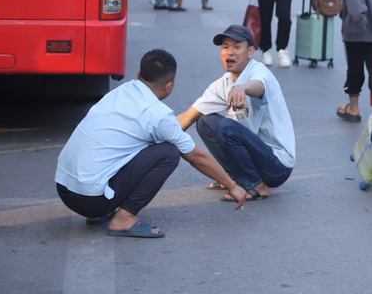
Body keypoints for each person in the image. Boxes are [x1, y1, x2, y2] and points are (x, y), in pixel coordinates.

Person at [55, 50, 246, 238]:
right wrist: (231, 185)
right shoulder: (158, 114)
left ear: (138, 75)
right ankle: (124, 217)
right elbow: (196, 157)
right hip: (89, 198)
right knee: (169, 152)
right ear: (169, 86)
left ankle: (100, 213)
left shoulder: (121, 91)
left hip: (64, 187)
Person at [177, 25, 296, 202]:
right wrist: (152, 134)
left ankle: (257, 185)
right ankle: (237, 178)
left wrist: (243, 88)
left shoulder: (259, 72)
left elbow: (258, 86)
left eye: (236, 47)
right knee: (204, 121)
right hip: (255, 156)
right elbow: (188, 116)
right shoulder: (223, 84)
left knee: (226, 128)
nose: (229, 53)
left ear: (250, 52)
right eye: (225, 47)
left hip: (277, 165)